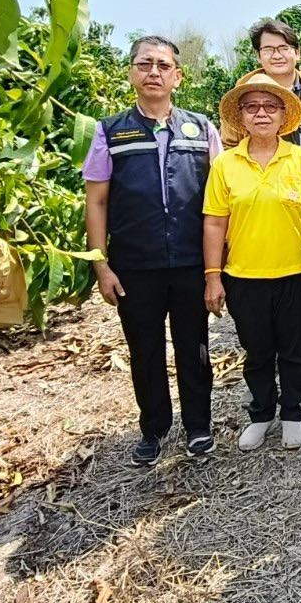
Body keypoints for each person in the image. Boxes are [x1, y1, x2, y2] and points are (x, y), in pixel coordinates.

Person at [83, 36, 220, 466]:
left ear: (178, 76)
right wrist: (101, 265)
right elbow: (96, 201)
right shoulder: (110, 131)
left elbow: (220, 198)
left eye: (163, 66)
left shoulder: (202, 128)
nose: (154, 72)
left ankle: (198, 426)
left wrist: (217, 267)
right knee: (145, 351)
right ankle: (154, 428)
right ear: (131, 73)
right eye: (145, 64)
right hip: (135, 264)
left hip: (190, 262)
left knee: (194, 347)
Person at [203, 74, 301, 451]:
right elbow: (215, 222)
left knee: (293, 350)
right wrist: (213, 276)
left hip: (295, 274)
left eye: (270, 106)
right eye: (252, 107)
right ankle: (262, 414)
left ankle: (293, 413)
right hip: (244, 276)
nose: (262, 113)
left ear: (283, 115)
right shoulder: (225, 164)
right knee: (257, 351)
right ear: (242, 117)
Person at [223, 19, 301, 400]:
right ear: (258, 56)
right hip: (260, 195)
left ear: (297, 53)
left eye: (284, 48)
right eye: (268, 49)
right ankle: (264, 373)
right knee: (263, 298)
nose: (277, 55)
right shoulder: (245, 92)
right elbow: (230, 144)